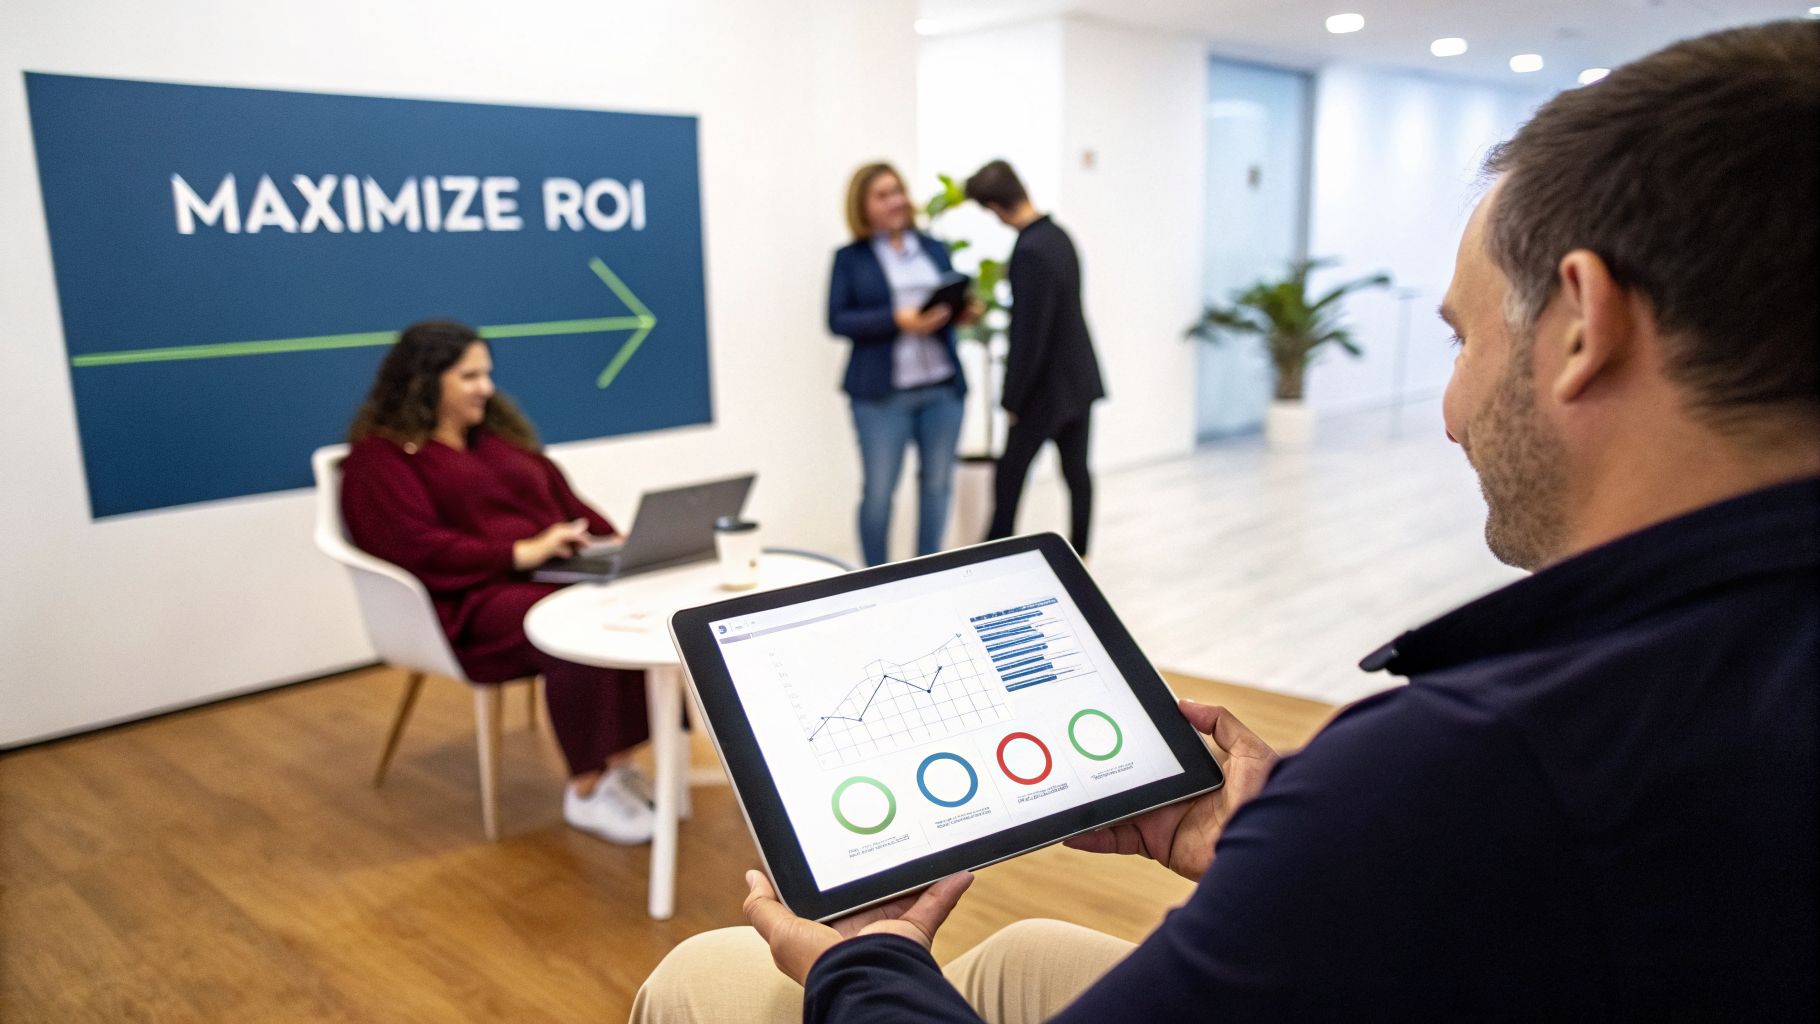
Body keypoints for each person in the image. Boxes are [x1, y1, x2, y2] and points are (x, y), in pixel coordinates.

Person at [633, 20, 1818, 1020]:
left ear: (1581, 324)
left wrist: (864, 962)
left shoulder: (1470, 773)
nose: (1449, 411)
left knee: (704, 977)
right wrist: (1290, 840)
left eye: (1459, 339)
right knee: (1025, 946)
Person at [340, 320, 655, 845]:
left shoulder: (494, 441)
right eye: (469, 376)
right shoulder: (379, 460)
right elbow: (415, 546)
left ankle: (618, 765)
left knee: (626, 608)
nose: (485, 388)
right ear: (424, 379)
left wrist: (612, 540)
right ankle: (585, 789)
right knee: (574, 628)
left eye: (486, 374)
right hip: (462, 602)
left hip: (541, 577)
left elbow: (563, 502)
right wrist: (518, 552)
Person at [827, 163, 971, 567]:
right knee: (878, 493)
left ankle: (928, 573)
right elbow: (837, 320)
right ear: (862, 206)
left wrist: (960, 311)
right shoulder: (849, 259)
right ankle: (874, 578)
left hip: (942, 389)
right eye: (882, 195)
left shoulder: (933, 248)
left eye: (898, 191)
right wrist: (896, 319)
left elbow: (948, 299)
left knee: (938, 486)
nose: (895, 201)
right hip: (880, 395)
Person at [966, 160, 1104, 557]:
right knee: (1076, 473)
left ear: (993, 206)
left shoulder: (1028, 250)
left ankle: (993, 556)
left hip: (1044, 390)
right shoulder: (1059, 236)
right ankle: (1081, 554)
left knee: (1009, 477)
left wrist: (1013, 399)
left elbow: (1029, 333)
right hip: (1079, 378)